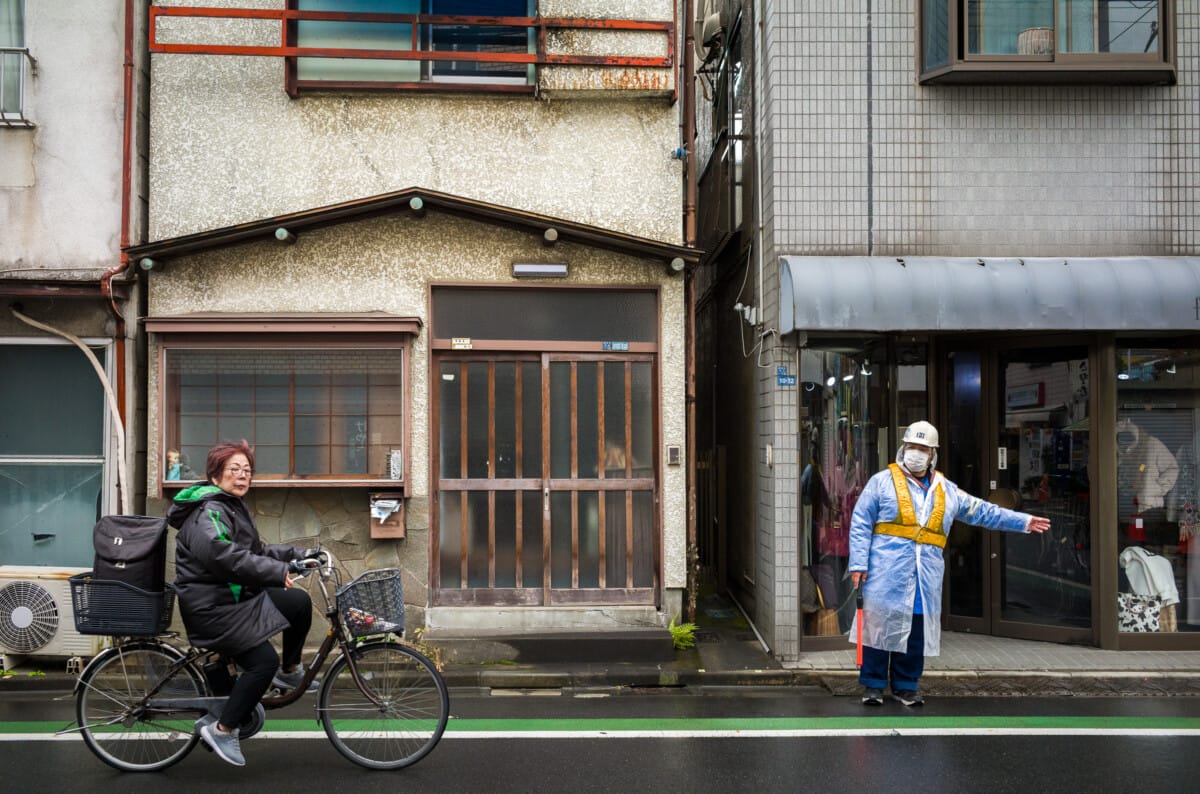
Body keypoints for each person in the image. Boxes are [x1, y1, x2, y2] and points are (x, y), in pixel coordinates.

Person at [848, 421, 1050, 707]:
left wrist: (1024, 522)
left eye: (923, 449)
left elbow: (983, 511)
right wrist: (858, 563)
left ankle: (906, 686)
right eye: (912, 448)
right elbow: (860, 522)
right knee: (878, 629)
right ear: (902, 449)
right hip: (885, 573)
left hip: (923, 577)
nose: (916, 453)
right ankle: (873, 685)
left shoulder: (946, 489)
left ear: (933, 455)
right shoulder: (881, 482)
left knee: (915, 632)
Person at [168, 440, 320, 766]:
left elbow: (257, 551)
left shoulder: (229, 507)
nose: (242, 476)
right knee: (262, 662)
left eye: (247, 470)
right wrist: (277, 572)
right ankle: (224, 729)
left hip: (232, 600)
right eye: (233, 470)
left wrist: (300, 556)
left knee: (297, 603)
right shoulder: (208, 513)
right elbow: (227, 559)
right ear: (214, 476)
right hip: (213, 610)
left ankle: (290, 671)